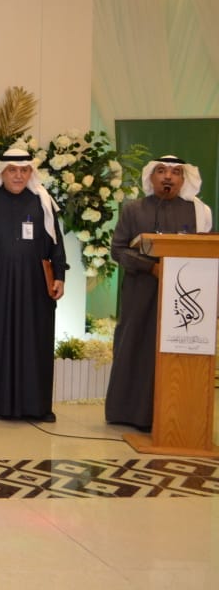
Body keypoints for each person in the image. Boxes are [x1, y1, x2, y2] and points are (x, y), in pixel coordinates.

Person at [105, 155, 212, 431]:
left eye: (175, 173)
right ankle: (129, 413)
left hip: (185, 293)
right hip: (141, 289)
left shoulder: (199, 212)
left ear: (184, 179)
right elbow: (118, 250)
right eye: (162, 171)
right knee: (136, 344)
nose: (168, 177)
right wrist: (150, 267)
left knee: (176, 348)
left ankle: (176, 413)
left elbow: (206, 250)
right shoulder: (134, 210)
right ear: (151, 177)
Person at [0, 148, 66, 422]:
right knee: (0, 343)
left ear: (31, 173)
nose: (19, 176)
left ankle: (38, 406)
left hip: (35, 289)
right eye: (13, 170)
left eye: (24, 170)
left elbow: (56, 243)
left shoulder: (42, 202)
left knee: (36, 345)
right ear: (2, 172)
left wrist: (59, 275)